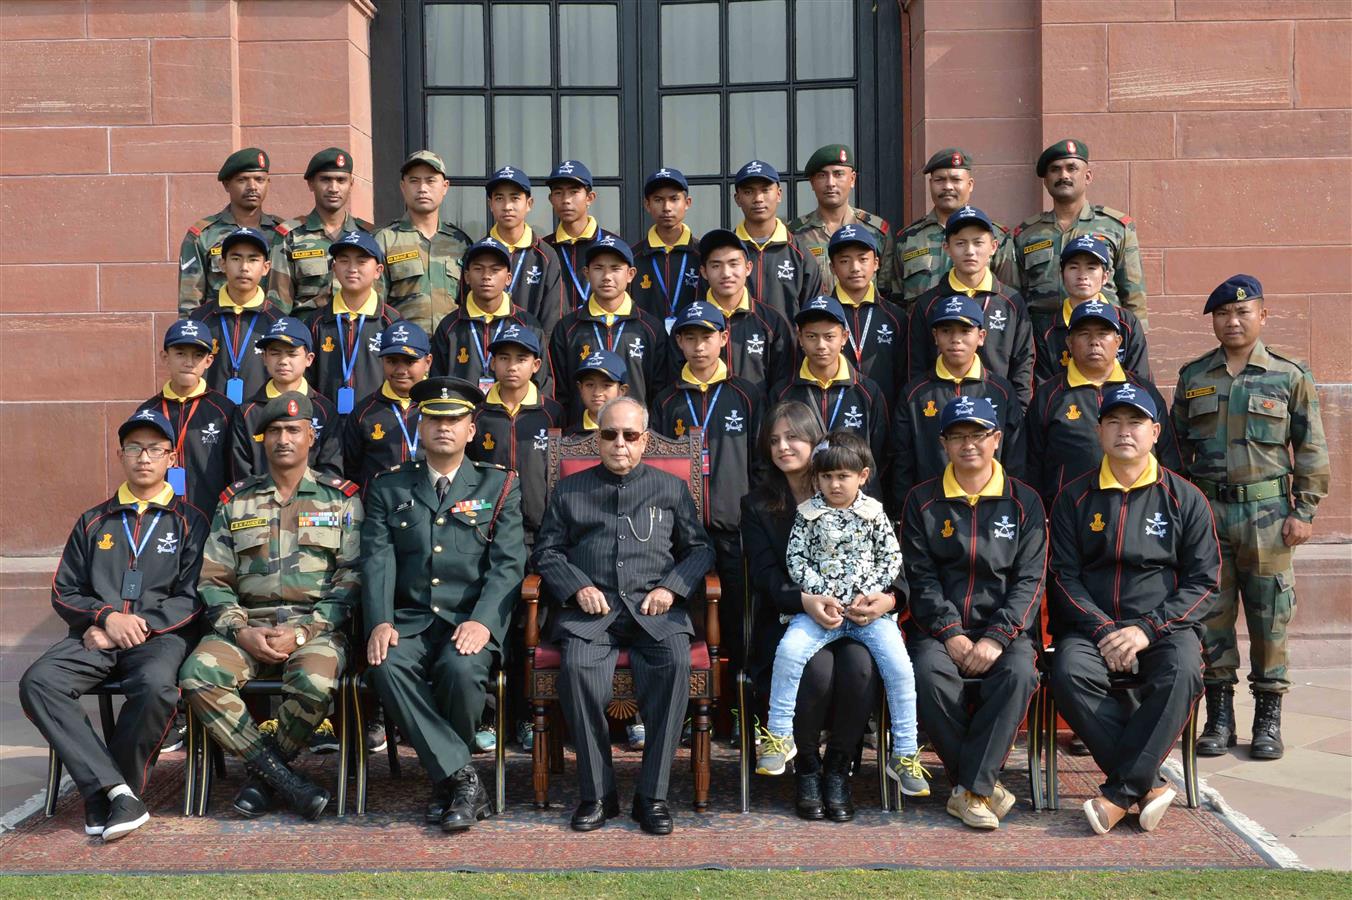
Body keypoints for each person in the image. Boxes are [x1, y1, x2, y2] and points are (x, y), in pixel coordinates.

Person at [20, 410, 208, 842]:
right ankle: (116, 790)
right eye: (134, 448)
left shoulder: (190, 521)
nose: (144, 457)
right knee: (39, 682)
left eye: (155, 449)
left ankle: (111, 792)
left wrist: (134, 625)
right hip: (95, 636)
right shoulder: (94, 520)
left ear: (171, 458)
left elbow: (192, 594)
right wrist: (105, 617)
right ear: (120, 455)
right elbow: (65, 590)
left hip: (158, 639)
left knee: (158, 688)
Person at [531, 397, 715, 835]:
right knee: (576, 669)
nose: (619, 443)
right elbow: (547, 550)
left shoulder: (670, 489)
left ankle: (652, 796)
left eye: (629, 436)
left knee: (674, 663)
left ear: (644, 440)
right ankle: (598, 795)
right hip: (592, 615)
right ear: (597, 437)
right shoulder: (570, 490)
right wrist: (576, 585)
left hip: (655, 613)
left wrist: (672, 587)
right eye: (609, 434)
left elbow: (700, 549)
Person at [178, 393, 363, 821]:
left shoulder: (341, 500)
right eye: (274, 431)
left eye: (293, 430)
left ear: (311, 437)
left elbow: (352, 578)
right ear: (262, 439)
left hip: (314, 630)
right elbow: (214, 578)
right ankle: (284, 779)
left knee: (315, 684)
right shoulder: (236, 501)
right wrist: (239, 628)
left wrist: (305, 631)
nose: (283, 438)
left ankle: (264, 778)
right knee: (197, 674)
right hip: (246, 627)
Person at [1049, 385, 1220, 835]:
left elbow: (1204, 582)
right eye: (1115, 423)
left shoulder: (1186, 498)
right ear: (1100, 430)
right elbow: (1063, 576)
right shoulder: (1074, 497)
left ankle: (1121, 792)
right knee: (1067, 672)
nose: (1125, 432)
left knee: (1183, 672)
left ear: (1156, 432)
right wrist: (1105, 630)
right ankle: (1148, 785)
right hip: (1091, 629)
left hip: (1164, 628)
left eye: (1136, 423)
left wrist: (1147, 629)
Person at [1173, 275, 1329, 761]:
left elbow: (1311, 447)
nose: (1233, 321)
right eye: (1222, 314)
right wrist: (1180, 515)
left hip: (1268, 517)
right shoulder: (1195, 376)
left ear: (1263, 316)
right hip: (1208, 517)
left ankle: (1268, 719)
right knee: (1211, 619)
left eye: (1243, 313)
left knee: (1270, 620)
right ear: (1214, 321)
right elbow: (1175, 450)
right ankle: (1219, 717)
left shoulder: (1288, 376)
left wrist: (1303, 510)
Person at [362, 377, 525, 832]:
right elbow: (378, 559)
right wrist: (380, 621)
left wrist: (484, 623)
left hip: (467, 621)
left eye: (454, 420)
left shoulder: (500, 485)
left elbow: (509, 565)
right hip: (410, 621)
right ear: (419, 425)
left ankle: (447, 782)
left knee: (461, 669)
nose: (444, 427)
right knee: (386, 664)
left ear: (471, 429)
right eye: (434, 418)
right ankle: (464, 779)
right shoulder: (389, 487)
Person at [754, 431, 929, 801]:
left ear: (863, 476)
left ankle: (905, 752)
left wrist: (875, 594)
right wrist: (821, 593)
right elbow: (796, 560)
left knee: (900, 667)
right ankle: (779, 737)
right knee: (788, 654)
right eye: (827, 476)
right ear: (816, 477)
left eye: (843, 476)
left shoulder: (875, 513)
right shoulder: (807, 515)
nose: (835, 484)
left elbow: (892, 559)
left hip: (869, 615)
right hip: (821, 611)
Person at [741, 401, 892, 821]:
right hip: (791, 618)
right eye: (774, 440)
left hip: (857, 618)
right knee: (817, 668)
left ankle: (838, 769)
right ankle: (806, 768)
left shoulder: (853, 494)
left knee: (860, 665)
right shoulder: (756, 505)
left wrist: (889, 598)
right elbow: (767, 577)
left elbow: (890, 561)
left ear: (816, 441)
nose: (783, 447)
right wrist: (806, 600)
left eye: (793, 437)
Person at [903, 397, 1046, 830]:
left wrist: (995, 638)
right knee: (927, 676)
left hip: (1004, 630)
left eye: (979, 435)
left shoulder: (1025, 501)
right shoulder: (922, 501)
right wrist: (951, 633)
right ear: (943, 443)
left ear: (997, 440)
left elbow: (1030, 580)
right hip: (939, 631)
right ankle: (980, 786)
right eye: (958, 436)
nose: (969, 445)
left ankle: (971, 789)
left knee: (1020, 674)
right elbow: (920, 577)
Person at [649, 302, 763, 675]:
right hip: (681, 535)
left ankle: (738, 707)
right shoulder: (666, 400)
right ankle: (686, 705)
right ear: (679, 342)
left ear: (724, 339)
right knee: (685, 619)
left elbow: (761, 462)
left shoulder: (747, 394)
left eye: (707, 337)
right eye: (690, 338)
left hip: (735, 530)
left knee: (738, 621)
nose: (699, 346)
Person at [468, 326, 566, 751]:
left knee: (538, 628)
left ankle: (531, 715)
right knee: (494, 624)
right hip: (486, 536)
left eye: (521, 359)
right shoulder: (475, 413)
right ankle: (490, 714)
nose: (512, 367)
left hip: (542, 536)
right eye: (504, 358)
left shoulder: (552, 415)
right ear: (492, 362)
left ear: (537, 366)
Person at [1025, 301, 1180, 513]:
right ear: (1069, 343)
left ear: (1117, 342)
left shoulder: (1144, 392)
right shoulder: (1048, 396)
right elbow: (1032, 465)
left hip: (1142, 511)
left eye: (1103, 334)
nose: (1094, 342)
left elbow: (1169, 456)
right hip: (1069, 514)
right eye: (1084, 334)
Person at [889, 297, 1023, 512]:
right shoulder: (915, 393)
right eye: (946, 331)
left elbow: (1015, 456)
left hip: (993, 507)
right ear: (935, 337)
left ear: (981, 337)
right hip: (930, 508)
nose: (955, 339)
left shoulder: (1001, 391)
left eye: (965, 331)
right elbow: (902, 460)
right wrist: (905, 509)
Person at [1001, 139, 1147, 335]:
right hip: (1043, 340)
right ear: (1045, 181)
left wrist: (1135, 341)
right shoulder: (1026, 233)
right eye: (1055, 169)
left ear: (1087, 177)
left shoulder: (1117, 227)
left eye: (1072, 168)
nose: (1063, 175)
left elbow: (1133, 295)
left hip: (1102, 335)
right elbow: (1014, 297)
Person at [907, 206, 1034, 408]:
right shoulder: (928, 304)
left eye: (978, 243)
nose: (970, 251)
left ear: (993, 247)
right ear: (946, 247)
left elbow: (1023, 365)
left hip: (998, 411)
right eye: (960, 243)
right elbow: (917, 366)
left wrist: (1019, 413)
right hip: (941, 411)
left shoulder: (1011, 302)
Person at [547, 236, 672, 421]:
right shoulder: (567, 328)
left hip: (632, 438)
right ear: (586, 273)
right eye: (598, 268)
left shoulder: (651, 328)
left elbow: (660, 391)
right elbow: (560, 392)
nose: (607, 277)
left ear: (630, 274)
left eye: (615, 269)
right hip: (579, 438)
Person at [770, 295, 888, 474]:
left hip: (855, 497)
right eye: (811, 336)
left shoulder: (867, 391)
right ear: (800, 338)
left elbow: (881, 454)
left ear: (844, 337)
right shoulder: (783, 393)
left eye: (829, 336)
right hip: (800, 497)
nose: (821, 345)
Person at [134, 320, 237, 518]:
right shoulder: (148, 411)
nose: (189, 362)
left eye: (198, 355)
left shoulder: (224, 410)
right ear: (165, 357)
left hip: (212, 518)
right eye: (180, 353)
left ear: (209, 361)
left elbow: (235, 472)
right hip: (158, 518)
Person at [894, 148, 1012, 310]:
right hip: (923, 330)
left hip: (981, 331)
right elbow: (895, 301)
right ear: (930, 184)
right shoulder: (907, 239)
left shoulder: (996, 235)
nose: (948, 186)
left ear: (970, 185)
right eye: (940, 180)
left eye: (956, 180)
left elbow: (1009, 298)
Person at [431, 237, 549, 396]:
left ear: (508, 278)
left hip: (510, 417)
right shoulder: (449, 326)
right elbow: (438, 382)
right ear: (466, 276)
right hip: (460, 417)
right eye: (478, 269)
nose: (486, 276)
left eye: (495, 270)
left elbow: (542, 383)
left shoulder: (528, 325)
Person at [229, 316, 342, 480]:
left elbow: (331, 469)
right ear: (264, 358)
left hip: (313, 503)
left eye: (292, 353)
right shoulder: (247, 412)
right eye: (275, 353)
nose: (283, 361)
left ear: (309, 359)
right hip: (258, 502)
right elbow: (240, 472)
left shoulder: (325, 410)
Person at [267, 147, 374, 318]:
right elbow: (278, 304)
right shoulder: (290, 235)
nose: (333, 188)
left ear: (351, 184)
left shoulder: (369, 235)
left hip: (358, 336)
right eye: (325, 180)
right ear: (311, 184)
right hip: (308, 336)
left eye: (341, 180)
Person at [374, 150, 472, 333]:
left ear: (445, 187)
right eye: (414, 181)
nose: (422, 188)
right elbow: (375, 305)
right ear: (403, 187)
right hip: (403, 351)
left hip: (450, 350)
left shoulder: (461, 243)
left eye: (430, 180)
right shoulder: (385, 240)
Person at [178, 147, 283, 317]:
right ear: (227, 185)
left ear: (268, 183)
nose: (252, 187)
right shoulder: (203, 235)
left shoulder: (283, 233)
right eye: (242, 180)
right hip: (217, 328)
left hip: (271, 330)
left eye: (259, 179)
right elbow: (190, 303)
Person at [307, 229, 402, 412]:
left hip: (377, 423)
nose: (352, 268)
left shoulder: (392, 323)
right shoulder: (317, 322)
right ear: (334, 269)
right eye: (344, 261)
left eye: (361, 261)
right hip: (328, 424)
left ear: (378, 271)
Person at [187, 226, 283, 404]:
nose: (244, 267)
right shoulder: (201, 319)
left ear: (266, 267)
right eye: (236, 258)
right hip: (210, 418)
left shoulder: (277, 321)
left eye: (253, 259)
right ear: (222, 264)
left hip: (258, 419)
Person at [1035, 236, 1149, 384]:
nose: (1082, 276)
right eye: (1074, 267)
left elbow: (1141, 381)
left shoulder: (1126, 322)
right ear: (1062, 276)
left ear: (1105, 277)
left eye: (1091, 268)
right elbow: (1043, 389)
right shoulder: (1047, 328)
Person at [789, 144, 897, 299]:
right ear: (812, 183)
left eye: (838, 174)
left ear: (852, 179)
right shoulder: (795, 234)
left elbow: (887, 292)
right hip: (815, 321)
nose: (830, 183)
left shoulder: (876, 230)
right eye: (822, 175)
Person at [693, 228, 794, 392]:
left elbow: (783, 382)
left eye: (733, 264)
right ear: (704, 272)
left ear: (748, 268)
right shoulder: (690, 322)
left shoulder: (771, 322)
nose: (726, 273)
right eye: (716, 265)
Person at [341, 322, 433, 495]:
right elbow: (351, 468)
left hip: (429, 507)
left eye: (410, 361)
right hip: (379, 509)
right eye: (391, 361)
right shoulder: (364, 413)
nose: (400, 370)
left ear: (427, 362)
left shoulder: (437, 407)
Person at [481, 165, 567, 339]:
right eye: (499, 198)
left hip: (528, 357)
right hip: (484, 352)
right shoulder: (477, 253)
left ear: (529, 204)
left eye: (515, 198)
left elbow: (552, 318)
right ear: (490, 204)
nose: (507, 206)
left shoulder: (546, 256)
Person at [731, 159, 822, 322]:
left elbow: (814, 318)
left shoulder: (801, 255)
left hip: (786, 347)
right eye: (748, 192)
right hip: (736, 346)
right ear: (737, 198)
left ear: (779, 194)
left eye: (766, 190)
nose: (758, 198)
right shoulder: (725, 252)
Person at [825, 224, 907, 396]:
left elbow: (904, 377)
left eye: (863, 259)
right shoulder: (821, 317)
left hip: (885, 414)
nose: (855, 268)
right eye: (844, 261)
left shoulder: (896, 317)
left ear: (876, 263)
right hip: (835, 414)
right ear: (832, 267)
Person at [543, 160, 621, 312]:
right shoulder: (543, 249)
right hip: (558, 334)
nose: (566, 200)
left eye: (574, 192)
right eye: (558, 193)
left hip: (601, 332)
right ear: (551, 199)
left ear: (590, 198)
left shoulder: (613, 245)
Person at [631, 167, 701, 322]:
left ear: (687, 203)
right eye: (658, 200)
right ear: (647, 205)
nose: (667, 208)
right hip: (646, 342)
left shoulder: (703, 254)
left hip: (693, 342)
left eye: (674, 199)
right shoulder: (633, 257)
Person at [565, 349, 630, 436]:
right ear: (580, 388)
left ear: (622, 390)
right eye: (590, 385)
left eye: (606, 385)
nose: (597, 393)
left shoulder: (633, 435)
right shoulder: (567, 438)